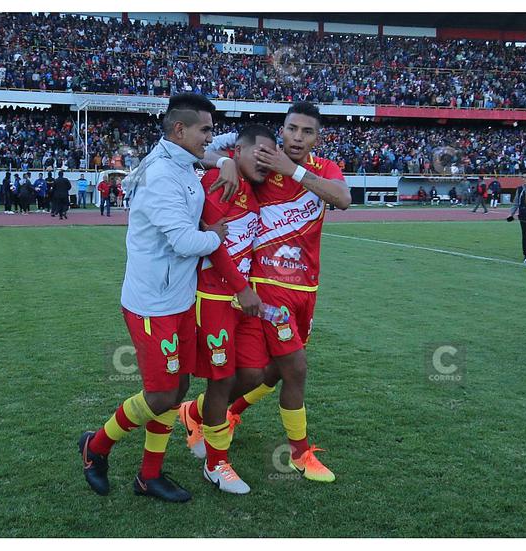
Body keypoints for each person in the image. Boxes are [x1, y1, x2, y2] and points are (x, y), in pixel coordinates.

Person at [78, 93, 235, 503]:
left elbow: (220, 146)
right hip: (153, 305)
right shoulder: (163, 174)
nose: (210, 138)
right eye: (205, 130)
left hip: (179, 299)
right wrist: (216, 237)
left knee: (178, 386)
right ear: (180, 130)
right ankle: (96, 446)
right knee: (162, 394)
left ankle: (149, 476)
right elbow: (184, 241)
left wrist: (225, 159)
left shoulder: (179, 158)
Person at [200, 101, 352, 483]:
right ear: (281, 130)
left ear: (317, 138)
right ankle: (300, 454)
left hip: (307, 288)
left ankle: (208, 412)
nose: (297, 137)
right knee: (295, 369)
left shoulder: (321, 169)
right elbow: (204, 153)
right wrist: (226, 161)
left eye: (307, 132)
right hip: (268, 287)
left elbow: (343, 199)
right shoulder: (264, 162)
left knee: (265, 372)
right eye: (292, 129)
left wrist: (294, 171)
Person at [177, 125, 275, 495]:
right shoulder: (219, 180)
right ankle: (215, 465)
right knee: (221, 379)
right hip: (216, 297)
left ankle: (194, 412)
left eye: (270, 155)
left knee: (253, 373)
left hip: (243, 298)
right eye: (259, 153)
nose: (264, 161)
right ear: (238, 151)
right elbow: (213, 243)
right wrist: (241, 288)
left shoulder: (256, 186)